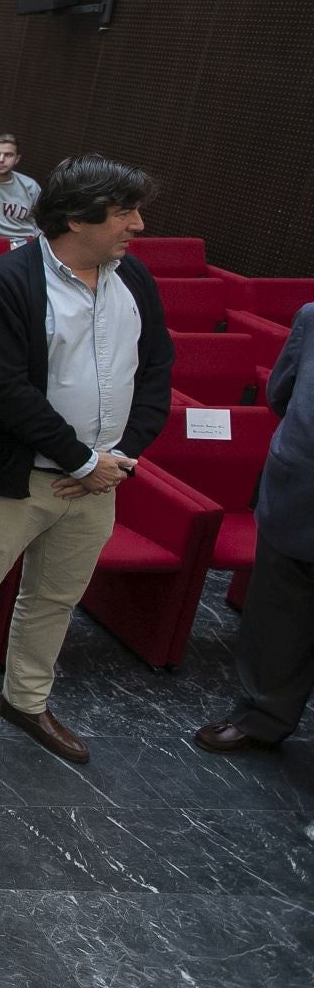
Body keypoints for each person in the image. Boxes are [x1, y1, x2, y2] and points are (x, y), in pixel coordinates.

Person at [0, 156, 171, 769]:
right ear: (77, 219)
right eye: (124, 213)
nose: (137, 225)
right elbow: (4, 389)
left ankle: (26, 701)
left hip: (99, 482)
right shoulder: (10, 282)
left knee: (56, 597)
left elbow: (157, 370)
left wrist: (123, 455)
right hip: (16, 477)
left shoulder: (135, 280)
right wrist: (82, 459)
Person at [196, 301, 314, 754]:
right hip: (299, 491)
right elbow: (281, 394)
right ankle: (262, 717)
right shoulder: (310, 316)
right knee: (277, 617)